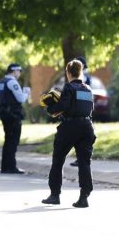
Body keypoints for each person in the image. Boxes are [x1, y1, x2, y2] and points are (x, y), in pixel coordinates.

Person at [41, 59, 95, 208]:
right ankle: (84, 197)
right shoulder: (88, 89)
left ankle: (54, 195)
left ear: (68, 72)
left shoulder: (69, 88)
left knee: (58, 159)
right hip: (87, 126)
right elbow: (90, 109)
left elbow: (62, 106)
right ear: (81, 72)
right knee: (84, 162)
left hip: (70, 127)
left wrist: (50, 107)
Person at [0, 63, 31, 174]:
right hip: (13, 115)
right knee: (13, 141)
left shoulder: (2, 82)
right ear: (14, 71)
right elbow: (20, 99)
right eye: (19, 70)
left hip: (4, 114)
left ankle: (5, 167)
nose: (20, 73)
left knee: (8, 140)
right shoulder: (12, 82)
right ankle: (11, 167)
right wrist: (26, 92)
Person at [69, 56, 92, 167]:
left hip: (81, 113)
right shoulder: (85, 79)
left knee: (80, 138)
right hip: (85, 111)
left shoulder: (83, 80)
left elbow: (79, 97)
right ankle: (81, 158)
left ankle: (81, 159)